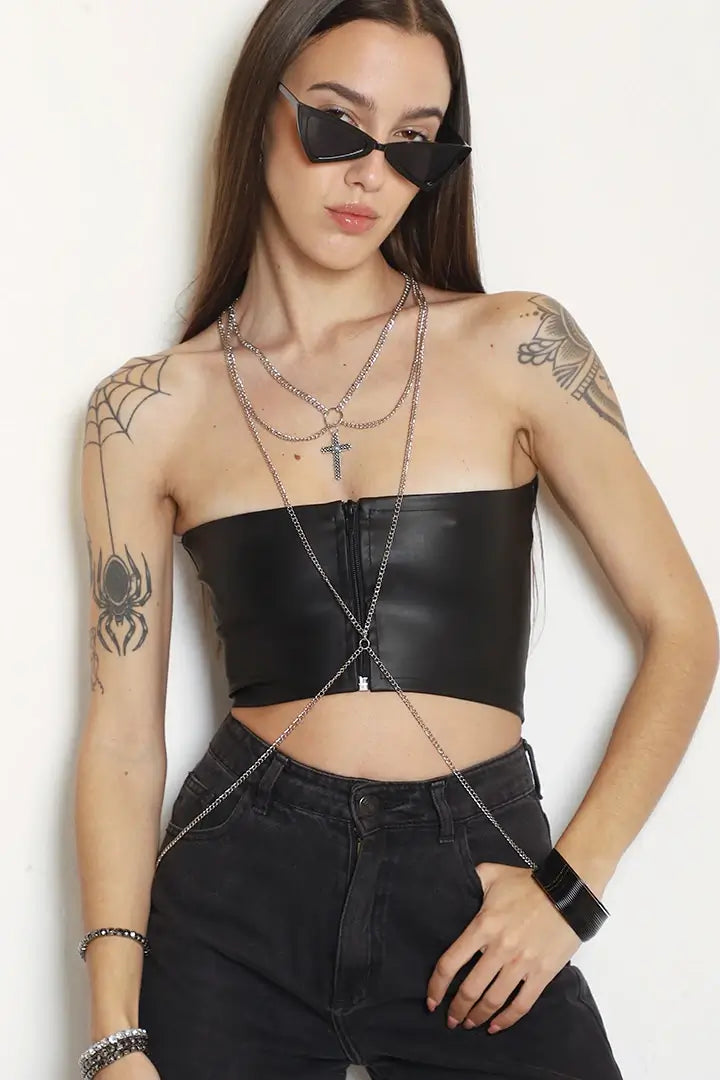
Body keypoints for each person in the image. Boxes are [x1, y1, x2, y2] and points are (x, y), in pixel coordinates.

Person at [74, 2, 718, 1078]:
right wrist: (113, 1033)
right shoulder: (144, 413)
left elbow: (684, 628)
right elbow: (121, 741)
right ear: (261, 109)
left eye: (414, 142)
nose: (371, 173)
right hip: (236, 895)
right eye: (337, 125)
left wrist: (569, 894)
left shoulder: (517, 344)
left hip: (472, 879)